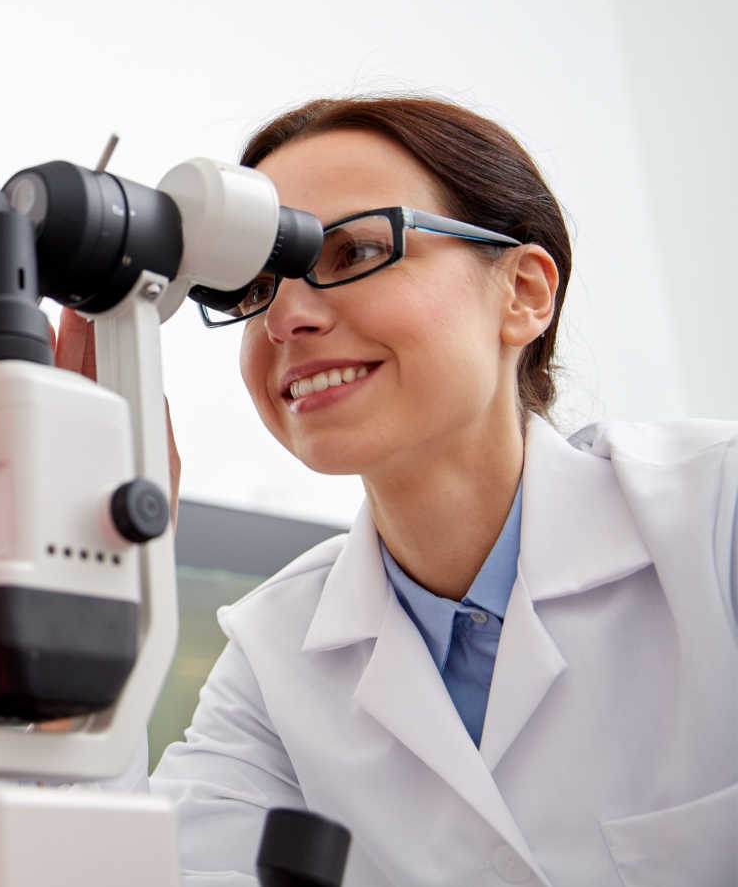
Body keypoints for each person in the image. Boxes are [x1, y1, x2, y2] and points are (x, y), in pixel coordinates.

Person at [57, 97, 737, 886]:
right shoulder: (274, 660)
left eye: (351, 254)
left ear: (522, 293)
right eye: (253, 288)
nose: (286, 320)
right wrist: (85, 586)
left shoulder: (713, 517)